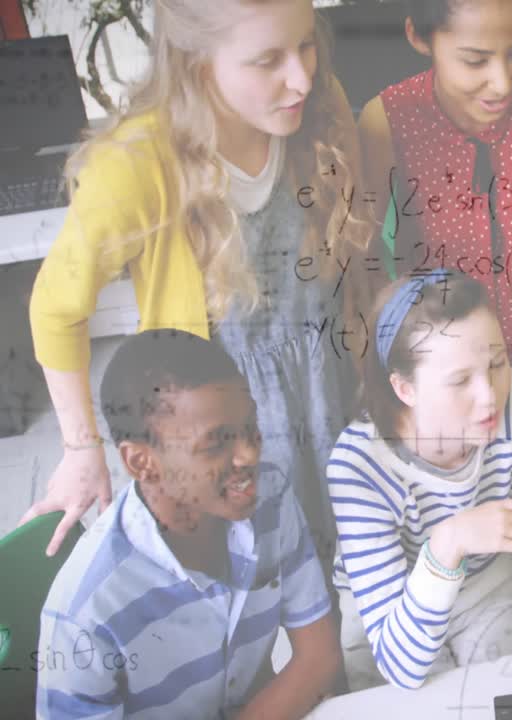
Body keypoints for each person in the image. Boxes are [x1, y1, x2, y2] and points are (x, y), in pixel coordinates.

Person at [24, 0, 376, 569]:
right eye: (267, 60)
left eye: (307, 43)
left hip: (326, 391)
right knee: (242, 593)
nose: (303, 76)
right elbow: (55, 308)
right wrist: (80, 448)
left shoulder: (319, 107)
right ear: (197, 64)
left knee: (332, 567)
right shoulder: (138, 164)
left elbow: (357, 262)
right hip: (223, 430)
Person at [356, 0, 512, 631]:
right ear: (420, 35)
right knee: (475, 590)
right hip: (446, 403)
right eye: (474, 59)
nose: (501, 81)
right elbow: (365, 258)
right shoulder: (387, 119)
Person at [37, 329, 339, 720]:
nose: (249, 454)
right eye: (216, 443)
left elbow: (319, 656)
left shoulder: (271, 499)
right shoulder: (85, 612)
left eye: (251, 427)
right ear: (141, 463)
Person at [327, 270, 512, 691]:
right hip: (395, 618)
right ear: (404, 389)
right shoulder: (358, 465)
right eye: (460, 380)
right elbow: (400, 667)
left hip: (485, 584)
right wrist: (449, 544)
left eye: (497, 363)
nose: (490, 395)